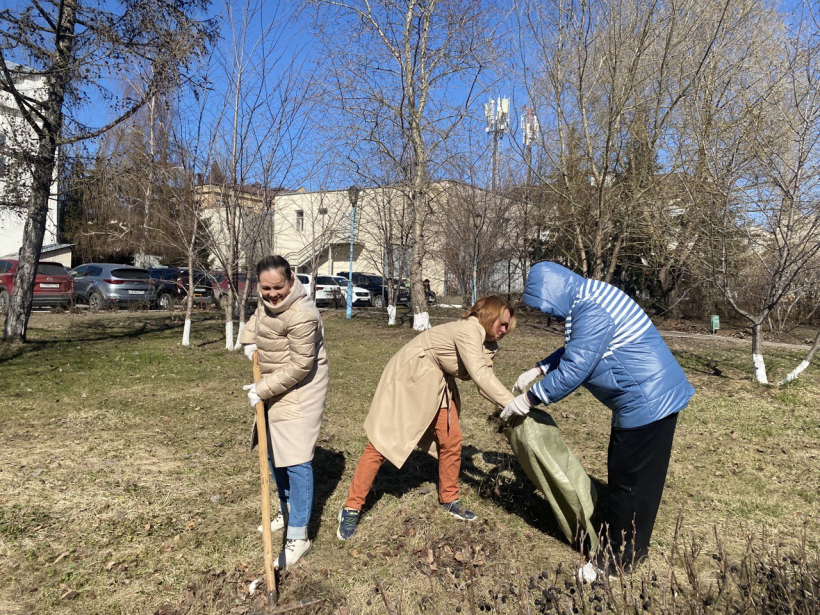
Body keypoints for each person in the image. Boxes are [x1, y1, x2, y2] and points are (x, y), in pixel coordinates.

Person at [501, 261, 695, 581]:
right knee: (631, 478)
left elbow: (577, 367)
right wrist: (539, 369)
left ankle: (617, 562)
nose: (552, 316)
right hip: (648, 397)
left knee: (631, 482)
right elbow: (578, 348)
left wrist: (529, 399)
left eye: (548, 307)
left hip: (646, 400)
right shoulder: (589, 297)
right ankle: (628, 543)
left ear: (555, 292)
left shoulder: (592, 308)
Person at [337, 295, 517, 540]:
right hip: (411, 377)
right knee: (382, 443)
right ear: (489, 316)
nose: (505, 329)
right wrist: (515, 405)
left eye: (508, 325)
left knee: (451, 439)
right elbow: (481, 377)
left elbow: (484, 380)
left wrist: (509, 405)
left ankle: (449, 498)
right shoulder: (469, 330)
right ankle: (351, 508)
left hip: (438, 382)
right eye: (501, 323)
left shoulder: (486, 339)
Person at [240, 255, 328, 569]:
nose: (272, 294)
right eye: (266, 288)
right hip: (275, 384)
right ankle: (286, 509)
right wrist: (249, 341)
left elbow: (301, 366)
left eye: (278, 287)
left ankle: (299, 536)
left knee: (297, 460)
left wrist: (260, 389)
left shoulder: (303, 314)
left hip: (301, 391)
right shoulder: (266, 303)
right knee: (271, 452)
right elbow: (257, 320)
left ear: (291, 279)